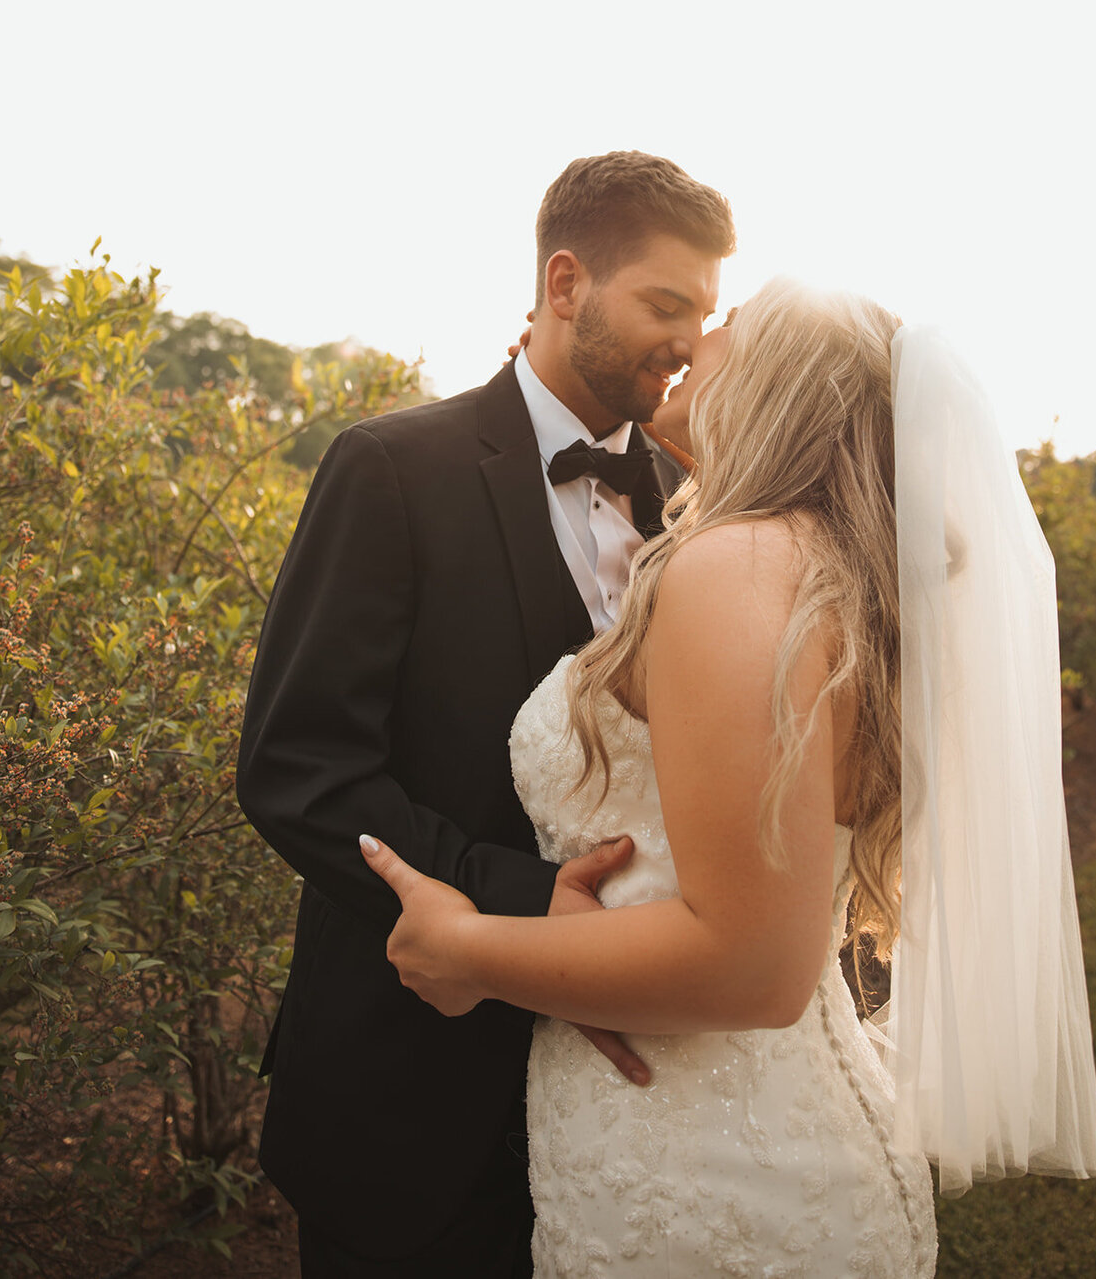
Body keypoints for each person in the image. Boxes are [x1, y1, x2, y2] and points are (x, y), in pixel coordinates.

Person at [362, 280, 1096, 1276]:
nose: (693, 337)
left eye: (728, 325)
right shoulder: (814, 567)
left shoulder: (744, 566)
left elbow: (754, 965)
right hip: (703, 1135)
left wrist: (469, 947)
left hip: (722, 1178)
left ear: (776, 383)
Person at [235, 151, 736, 1275]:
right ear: (566, 283)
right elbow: (298, 767)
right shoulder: (391, 468)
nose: (690, 340)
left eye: (704, 314)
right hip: (407, 1090)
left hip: (626, 1102)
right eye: (665, 302)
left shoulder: (698, 511)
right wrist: (522, 903)